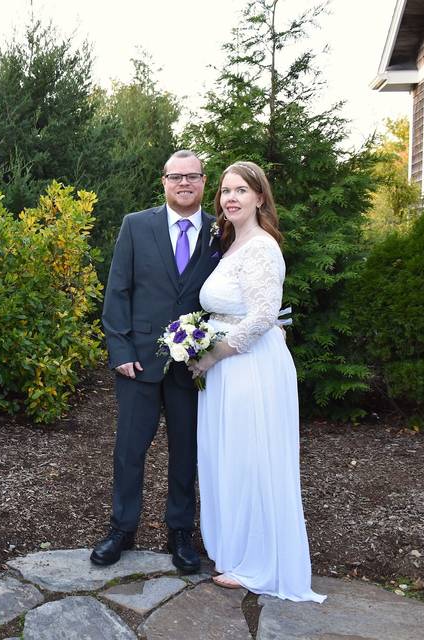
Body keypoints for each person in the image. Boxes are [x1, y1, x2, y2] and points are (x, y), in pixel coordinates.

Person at [188, 161, 325, 602]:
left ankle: (259, 563)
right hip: (231, 366)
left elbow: (264, 315)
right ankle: (237, 548)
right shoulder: (232, 243)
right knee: (229, 456)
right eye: (226, 190)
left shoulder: (262, 247)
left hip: (248, 367)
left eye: (241, 191)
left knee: (251, 458)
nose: (231, 198)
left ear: (260, 197)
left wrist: (211, 356)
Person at [93, 149, 221, 572]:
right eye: (176, 177)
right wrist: (121, 352)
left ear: (205, 182)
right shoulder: (136, 226)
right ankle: (121, 528)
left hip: (194, 366)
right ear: (163, 182)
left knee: (186, 451)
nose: (184, 183)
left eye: (193, 176)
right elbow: (118, 293)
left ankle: (180, 532)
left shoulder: (221, 232)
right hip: (139, 364)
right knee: (129, 450)